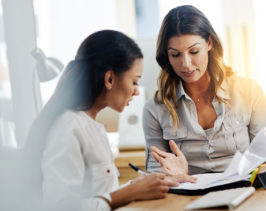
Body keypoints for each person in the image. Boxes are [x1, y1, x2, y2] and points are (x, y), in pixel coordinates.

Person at [22, 30, 195, 211]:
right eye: (135, 82)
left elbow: (101, 193)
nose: (136, 91)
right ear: (110, 79)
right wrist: (131, 192)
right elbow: (61, 207)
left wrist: (154, 182)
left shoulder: (91, 125)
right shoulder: (69, 127)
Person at [143, 5, 266, 176]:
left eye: (194, 51)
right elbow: (155, 172)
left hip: (244, 190)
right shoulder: (155, 108)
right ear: (166, 55)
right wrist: (175, 175)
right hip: (187, 196)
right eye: (175, 54)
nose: (186, 64)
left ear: (209, 43)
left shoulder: (249, 91)